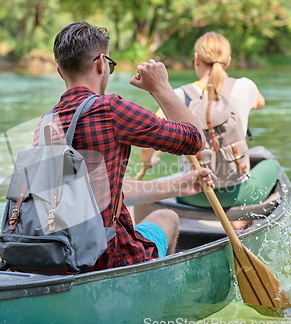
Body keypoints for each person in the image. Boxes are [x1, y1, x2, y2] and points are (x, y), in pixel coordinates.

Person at [39, 21, 213, 271]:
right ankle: (159, 294)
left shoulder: (46, 122)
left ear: (60, 71)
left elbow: (106, 190)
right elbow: (195, 140)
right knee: (167, 217)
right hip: (108, 255)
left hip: (59, 252)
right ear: (101, 63)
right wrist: (161, 88)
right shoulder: (111, 110)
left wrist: (177, 185)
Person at [141, 31, 279, 213]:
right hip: (237, 194)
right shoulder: (245, 86)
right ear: (228, 61)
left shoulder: (177, 95)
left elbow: (147, 142)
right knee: (272, 165)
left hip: (192, 196)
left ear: (196, 59)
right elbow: (260, 103)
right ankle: (243, 218)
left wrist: (148, 161)